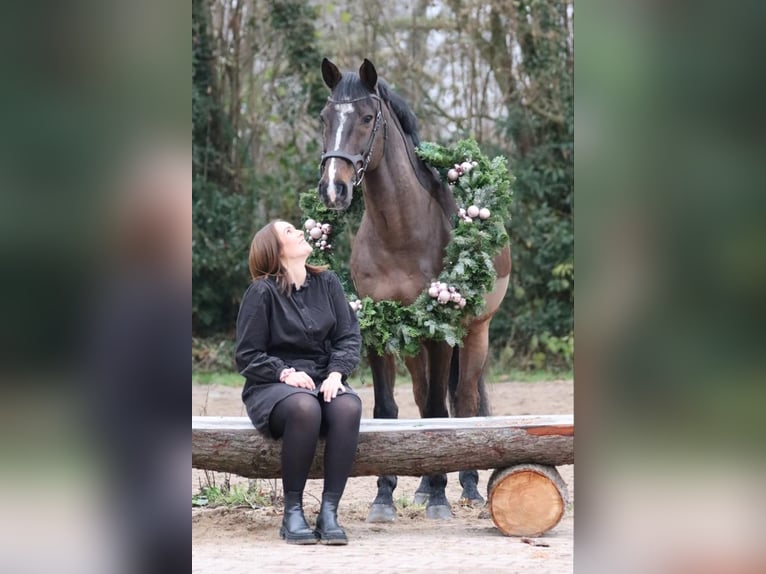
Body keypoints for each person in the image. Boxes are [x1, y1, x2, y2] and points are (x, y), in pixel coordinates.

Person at [235, 220, 363, 545]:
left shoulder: (328, 282)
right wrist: (285, 373)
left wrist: (336, 373)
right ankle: (292, 512)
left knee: (348, 406)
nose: (300, 232)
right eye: (290, 231)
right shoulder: (261, 292)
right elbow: (247, 355)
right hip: (272, 387)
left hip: (322, 377)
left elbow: (348, 335)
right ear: (276, 251)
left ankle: (329, 512)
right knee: (305, 407)